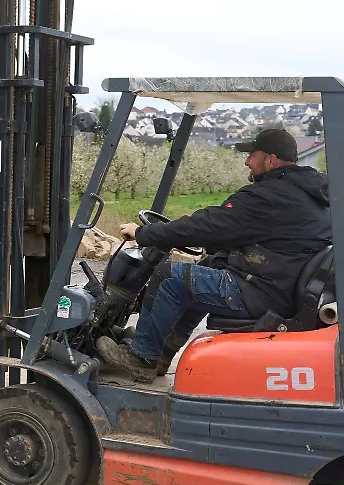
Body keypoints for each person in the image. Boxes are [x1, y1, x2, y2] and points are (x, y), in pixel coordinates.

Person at [96, 129, 331, 382]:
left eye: (252, 155)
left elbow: (209, 225)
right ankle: (160, 352)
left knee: (168, 277)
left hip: (264, 294)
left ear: (271, 160)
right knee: (210, 265)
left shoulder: (269, 196)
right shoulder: (310, 193)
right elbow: (234, 231)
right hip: (280, 284)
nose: (247, 161)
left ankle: (142, 358)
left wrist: (143, 233)